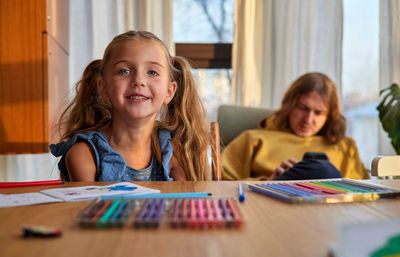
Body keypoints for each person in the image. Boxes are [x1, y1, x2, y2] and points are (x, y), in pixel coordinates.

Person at [50, 31, 211, 182]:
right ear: (103, 88)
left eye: (152, 72)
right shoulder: (84, 155)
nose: (138, 80)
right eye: (124, 71)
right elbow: (90, 210)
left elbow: (183, 206)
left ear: (169, 91)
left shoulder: (177, 152)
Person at [221, 72, 369, 180]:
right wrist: (268, 183)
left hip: (329, 213)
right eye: (303, 108)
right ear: (289, 105)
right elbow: (220, 185)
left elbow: (366, 196)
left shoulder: (345, 147)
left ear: (329, 116)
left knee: (324, 170)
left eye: (318, 112)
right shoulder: (252, 139)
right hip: (271, 208)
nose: (308, 119)